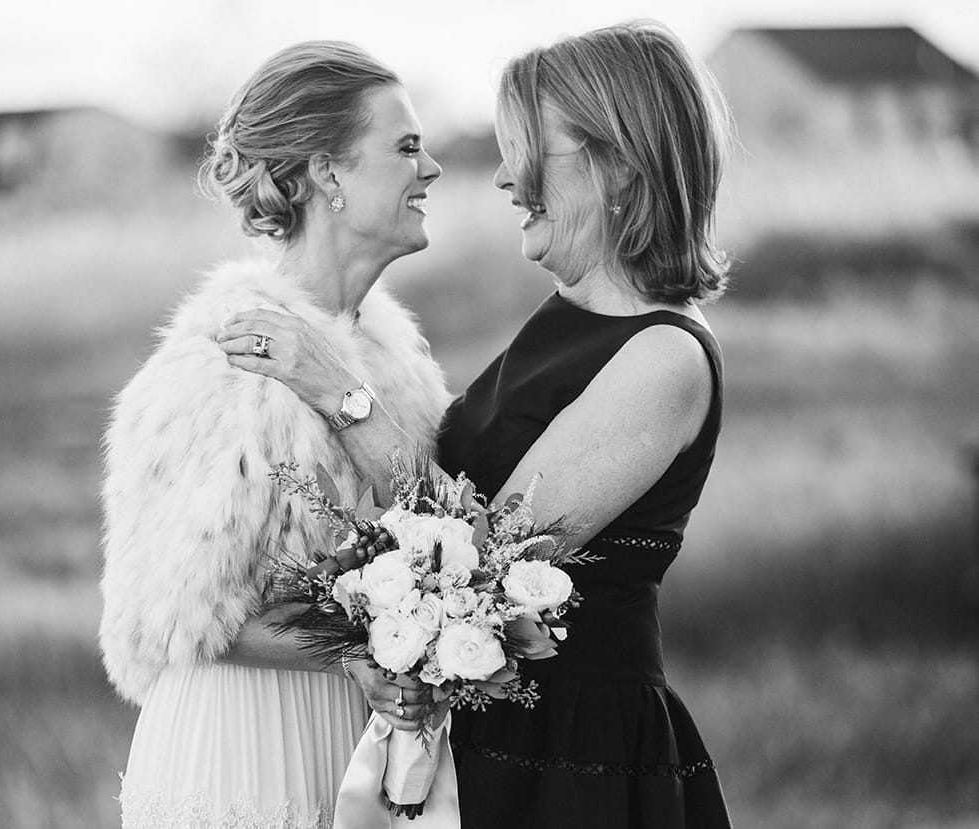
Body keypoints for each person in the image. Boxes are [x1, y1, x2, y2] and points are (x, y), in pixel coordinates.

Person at [220, 21, 734, 828]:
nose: (504, 178)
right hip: (489, 735)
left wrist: (334, 385)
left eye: (531, 153)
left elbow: (488, 554)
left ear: (621, 170)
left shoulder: (663, 356)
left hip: (573, 762)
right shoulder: (564, 318)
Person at [99, 41, 450, 829]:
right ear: (327, 174)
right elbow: (175, 613)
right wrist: (355, 649)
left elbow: (440, 539)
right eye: (405, 149)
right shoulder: (225, 362)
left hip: (362, 743)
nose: (429, 171)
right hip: (248, 750)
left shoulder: (403, 372)